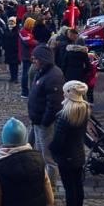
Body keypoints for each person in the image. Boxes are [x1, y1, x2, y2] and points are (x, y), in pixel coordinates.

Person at [48, 81, 90, 206]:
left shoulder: (64, 115)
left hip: (66, 157)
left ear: (69, 93)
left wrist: (50, 149)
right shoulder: (84, 108)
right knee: (78, 186)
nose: (62, 93)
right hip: (79, 154)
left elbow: (58, 141)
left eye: (64, 91)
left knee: (69, 188)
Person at [27, 45, 64, 189]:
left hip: (45, 124)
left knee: (48, 157)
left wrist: (44, 122)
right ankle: (41, 180)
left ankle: (50, 188)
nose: (33, 60)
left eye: (35, 58)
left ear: (42, 59)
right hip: (37, 121)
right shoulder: (42, 71)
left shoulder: (53, 76)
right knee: (38, 151)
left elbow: (54, 105)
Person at [2, 17, 20, 83]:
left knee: (15, 65)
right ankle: (12, 77)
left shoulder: (17, 30)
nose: (11, 22)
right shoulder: (6, 29)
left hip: (15, 50)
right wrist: (4, 46)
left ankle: (15, 78)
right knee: (10, 65)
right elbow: (3, 38)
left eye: (12, 21)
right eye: (10, 21)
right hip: (8, 50)